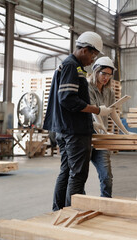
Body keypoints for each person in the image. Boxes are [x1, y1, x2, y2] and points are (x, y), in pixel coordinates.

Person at [43, 31, 114, 211]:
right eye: (93, 54)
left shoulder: (74, 67)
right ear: (84, 49)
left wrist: (93, 121)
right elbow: (68, 99)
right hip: (74, 130)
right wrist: (97, 110)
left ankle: (59, 211)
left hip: (68, 128)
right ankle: (71, 213)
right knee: (78, 175)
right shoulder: (71, 66)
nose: (93, 59)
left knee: (66, 171)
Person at [88, 56, 135, 198]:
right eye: (103, 74)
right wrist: (102, 129)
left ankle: (106, 202)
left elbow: (113, 111)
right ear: (96, 71)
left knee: (106, 176)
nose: (106, 78)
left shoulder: (109, 92)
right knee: (79, 176)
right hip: (86, 136)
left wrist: (125, 132)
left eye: (109, 75)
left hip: (102, 138)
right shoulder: (87, 88)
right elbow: (93, 112)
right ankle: (77, 204)